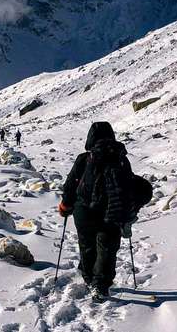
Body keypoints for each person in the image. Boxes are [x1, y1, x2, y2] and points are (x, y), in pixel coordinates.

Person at [58, 121, 137, 301]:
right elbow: (129, 186)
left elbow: (70, 185)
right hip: (112, 211)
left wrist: (65, 205)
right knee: (107, 247)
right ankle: (101, 286)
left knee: (87, 245)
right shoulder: (121, 158)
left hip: (84, 210)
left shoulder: (84, 158)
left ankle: (89, 278)